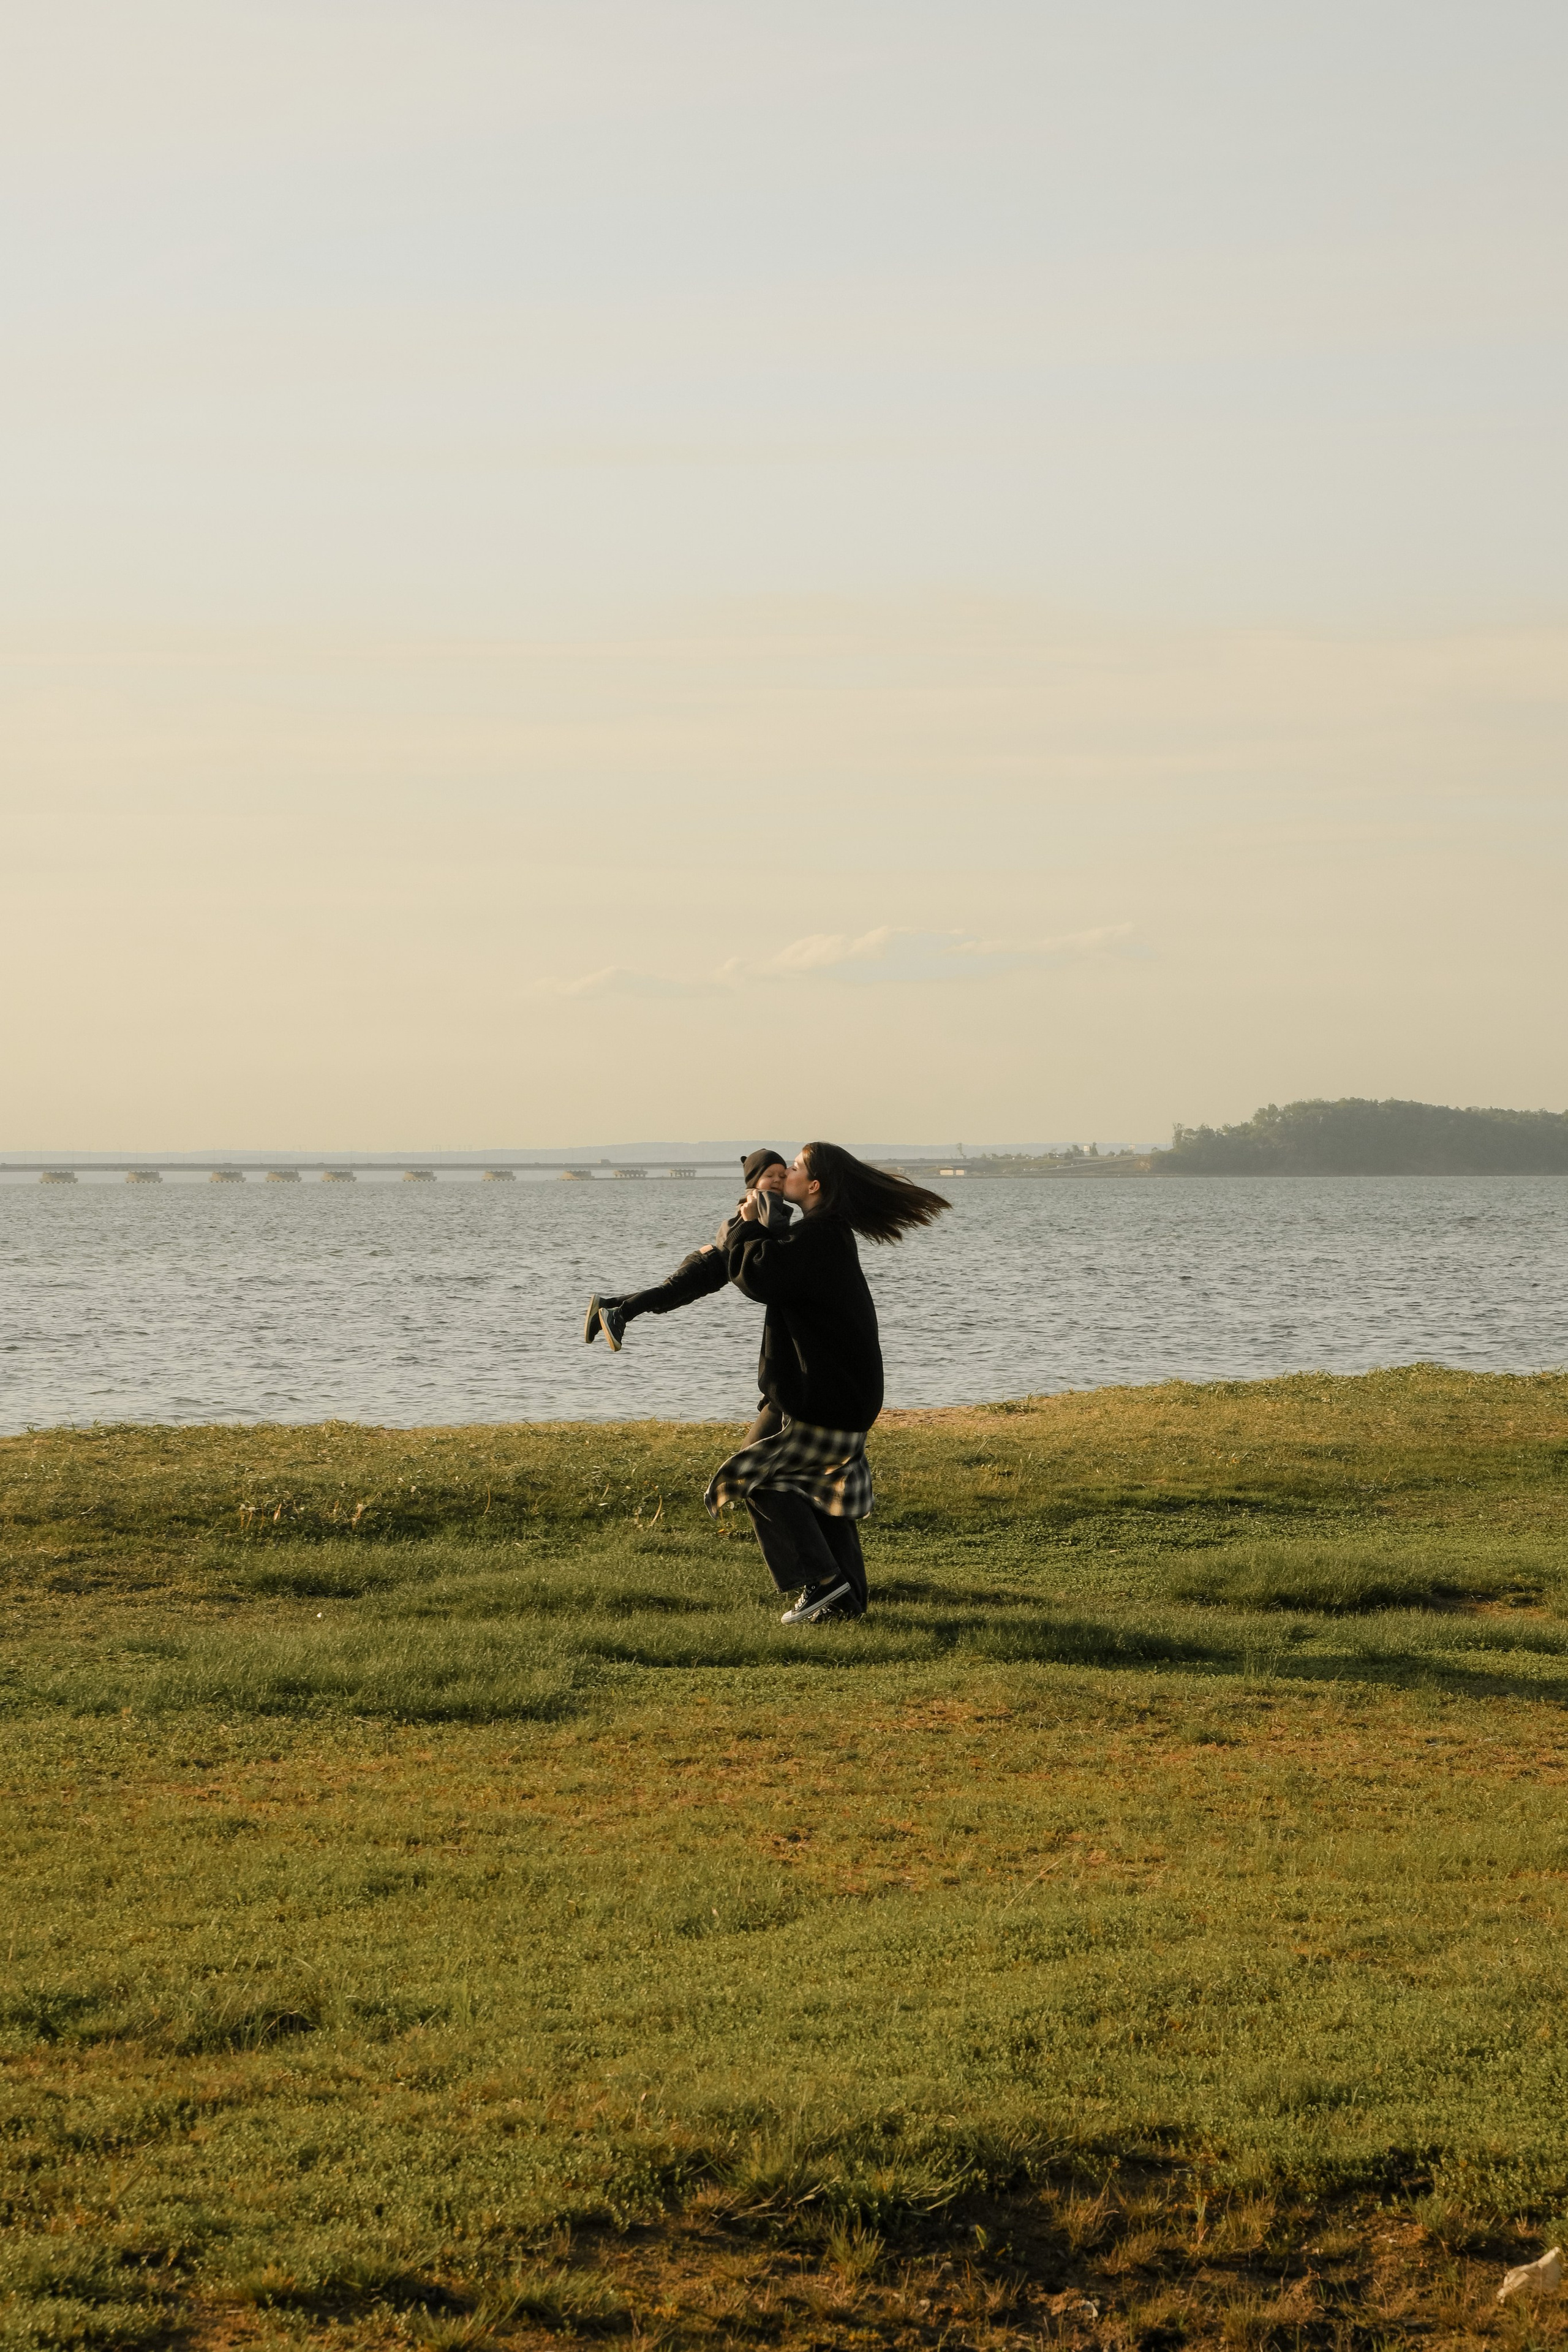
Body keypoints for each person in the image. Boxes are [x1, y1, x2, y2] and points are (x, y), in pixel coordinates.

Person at [704, 1143, 949, 1626]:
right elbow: (770, 1270)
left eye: (794, 1168)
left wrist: (748, 1226)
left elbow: (758, 1275)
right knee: (821, 1492)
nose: (786, 1174)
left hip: (819, 1393)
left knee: (755, 1478)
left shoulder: (818, 1237)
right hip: (843, 1392)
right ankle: (846, 1601)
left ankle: (823, 1582)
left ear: (813, 1185)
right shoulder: (827, 1234)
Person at [581, 1148, 791, 1352]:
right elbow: (775, 1226)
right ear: (754, 1180)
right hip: (709, 1264)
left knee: (665, 1301)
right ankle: (619, 1315)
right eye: (770, 1175)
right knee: (666, 1295)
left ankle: (607, 1305)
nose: (777, 1181)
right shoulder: (765, 1198)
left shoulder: (757, 1199)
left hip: (711, 1267)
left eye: (783, 1176)